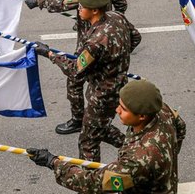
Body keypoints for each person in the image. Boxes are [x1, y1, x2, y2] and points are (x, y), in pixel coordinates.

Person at [24, 0, 127, 135]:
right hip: (94, 32)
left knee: (75, 79)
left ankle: (79, 120)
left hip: (91, 41)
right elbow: (122, 6)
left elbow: (65, 3)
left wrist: (49, 54)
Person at [34, 0, 140, 161]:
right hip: (118, 85)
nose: (79, 9)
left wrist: (50, 54)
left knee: (88, 141)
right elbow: (136, 37)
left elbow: (75, 70)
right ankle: (132, 148)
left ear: (95, 10)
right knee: (98, 126)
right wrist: (116, 59)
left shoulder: (96, 41)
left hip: (102, 93)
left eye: (82, 6)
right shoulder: (117, 17)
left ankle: (92, 179)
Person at [27, 79, 185, 193]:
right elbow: (181, 126)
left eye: (123, 109)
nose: (117, 110)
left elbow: (96, 183)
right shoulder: (161, 110)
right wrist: (166, 158)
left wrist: (53, 162)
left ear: (142, 116)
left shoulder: (140, 158)